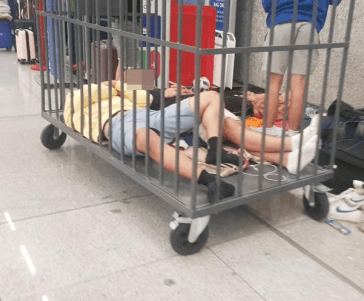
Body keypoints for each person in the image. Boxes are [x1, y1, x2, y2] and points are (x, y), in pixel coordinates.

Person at [64, 83, 320, 202]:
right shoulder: (82, 105)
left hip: (152, 115)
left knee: (211, 96)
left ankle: (218, 150)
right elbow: (77, 104)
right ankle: (208, 181)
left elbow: (143, 93)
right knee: (145, 135)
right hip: (118, 123)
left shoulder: (127, 93)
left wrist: (168, 92)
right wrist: (114, 87)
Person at [261, 0, 342, 136]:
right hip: (309, 27)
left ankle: (267, 130)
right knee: (298, 85)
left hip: (280, 23)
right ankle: (293, 133)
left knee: (273, 83)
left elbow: (267, 4)